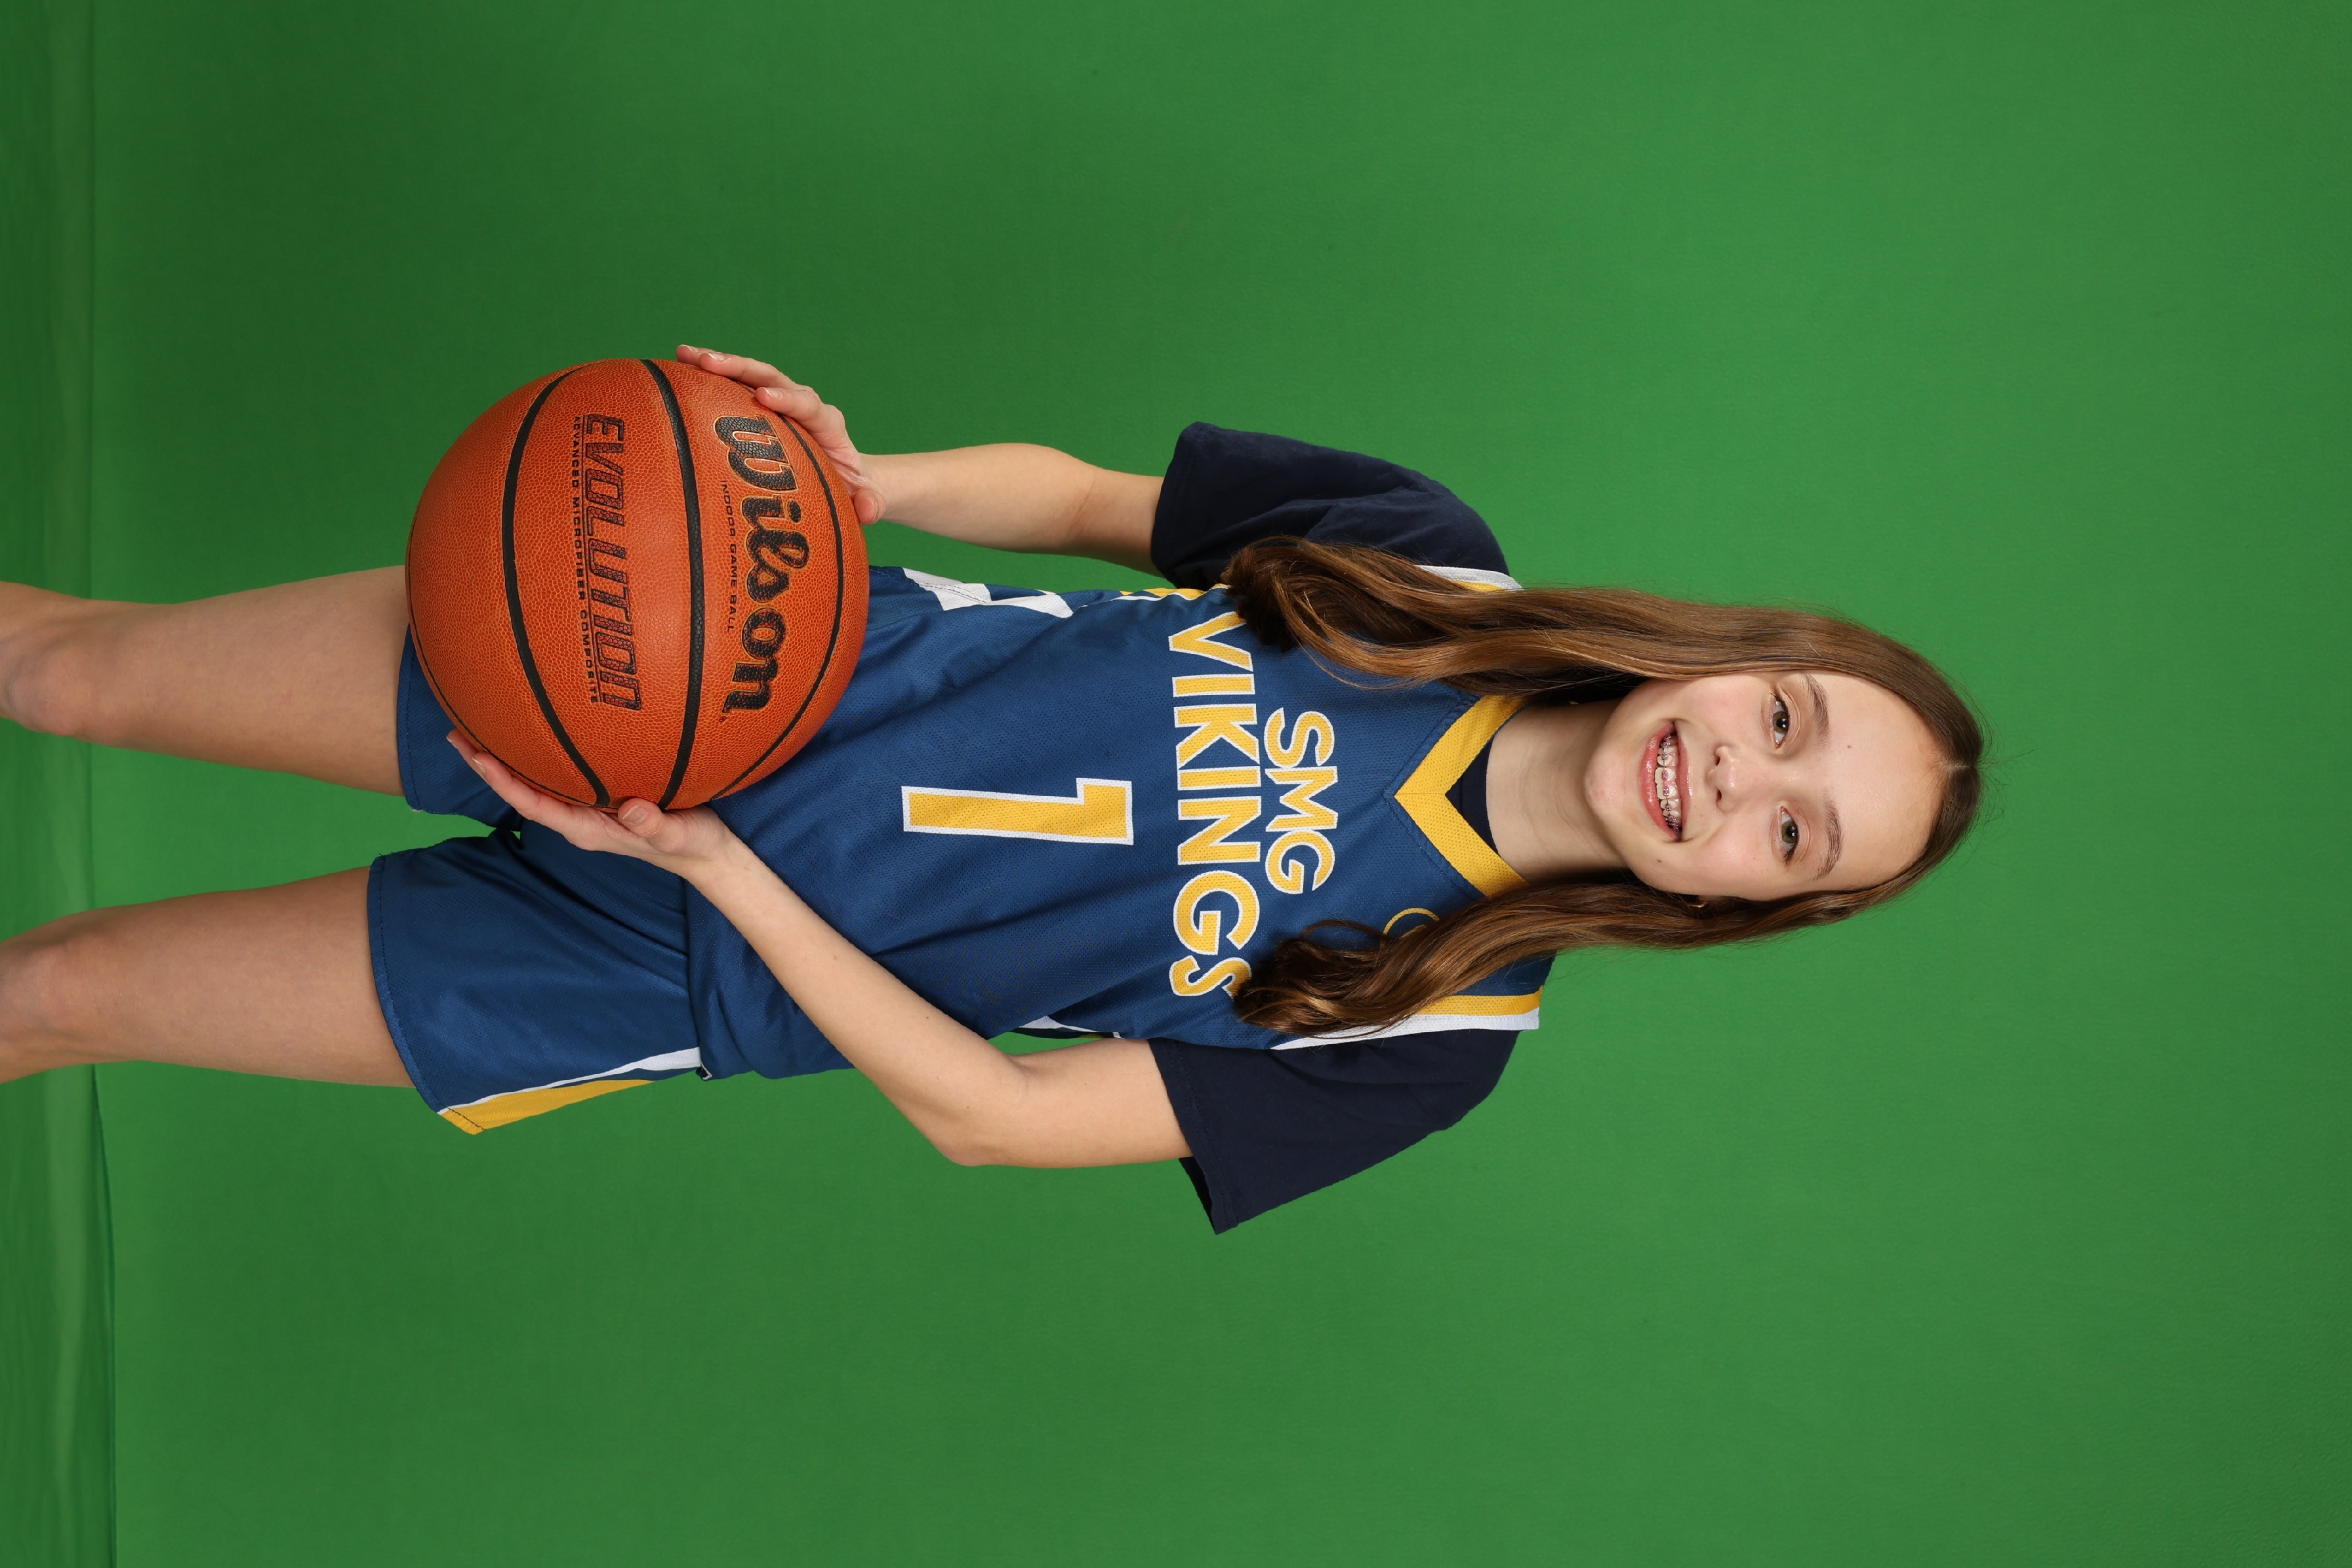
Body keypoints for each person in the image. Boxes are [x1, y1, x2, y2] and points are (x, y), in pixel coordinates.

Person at [0, 347, 1983, 1230]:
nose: (1737, 775)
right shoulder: (1422, 561)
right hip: (720, 654)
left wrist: (714, 871)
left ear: (1748, 902)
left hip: (671, 958)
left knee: (66, 988)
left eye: (1789, 830)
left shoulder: (1434, 1035)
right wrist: (859, 487)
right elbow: (1089, 503)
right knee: (72, 669)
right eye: (1786, 717)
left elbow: (1001, 1120)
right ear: (1740, 651)